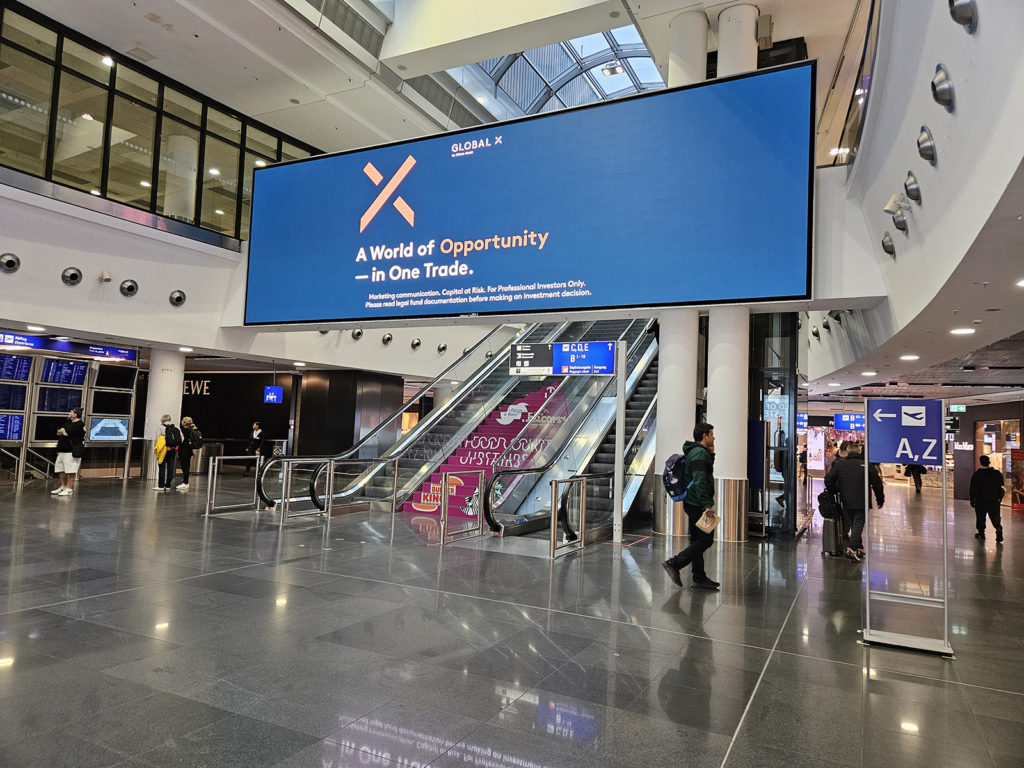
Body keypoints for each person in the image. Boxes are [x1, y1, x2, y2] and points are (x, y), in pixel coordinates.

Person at [662, 422, 720, 591]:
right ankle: (675, 563)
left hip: (693, 502)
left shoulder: (699, 452)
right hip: (698, 503)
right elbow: (700, 480)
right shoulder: (699, 454)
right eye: (711, 434)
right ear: (704, 436)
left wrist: (712, 453)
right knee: (706, 540)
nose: (713, 437)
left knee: (697, 540)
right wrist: (707, 504)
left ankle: (699, 577)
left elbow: (705, 472)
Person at [824, 442, 884, 562]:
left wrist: (835, 490)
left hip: (845, 500)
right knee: (858, 523)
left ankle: (859, 547)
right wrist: (880, 498)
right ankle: (851, 548)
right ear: (859, 451)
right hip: (862, 500)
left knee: (853, 523)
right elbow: (877, 483)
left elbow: (828, 480)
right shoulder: (866, 465)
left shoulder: (841, 465)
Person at [969, 455, 1004, 542]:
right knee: (995, 517)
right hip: (994, 501)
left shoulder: (977, 475)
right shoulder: (997, 474)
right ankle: (998, 528)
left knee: (981, 517)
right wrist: (999, 498)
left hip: (981, 501)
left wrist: (972, 499)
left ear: (980, 462)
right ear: (989, 462)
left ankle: (981, 533)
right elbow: (1002, 487)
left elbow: (972, 488)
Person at [51, 407, 85, 497]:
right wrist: (58, 449)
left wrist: (63, 431)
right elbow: (60, 432)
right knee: (60, 469)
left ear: (75, 414)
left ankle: (69, 489)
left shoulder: (80, 424)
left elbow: (67, 432)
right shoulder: (68, 422)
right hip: (62, 450)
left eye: (71, 412)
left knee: (70, 470)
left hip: (71, 451)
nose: (69, 413)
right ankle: (63, 486)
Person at [154, 414, 181, 491]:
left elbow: (157, 439)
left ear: (163, 420)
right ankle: (168, 485)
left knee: (162, 467)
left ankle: (161, 486)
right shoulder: (176, 427)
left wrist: (157, 448)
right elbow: (181, 438)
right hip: (172, 450)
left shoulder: (160, 427)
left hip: (163, 450)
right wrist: (175, 447)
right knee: (170, 468)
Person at [177, 416, 200, 492]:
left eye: (182, 421)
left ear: (185, 423)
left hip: (184, 451)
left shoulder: (184, 431)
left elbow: (180, 441)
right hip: (189, 451)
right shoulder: (192, 430)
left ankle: (185, 482)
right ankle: (185, 482)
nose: (181, 422)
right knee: (186, 466)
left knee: (185, 467)